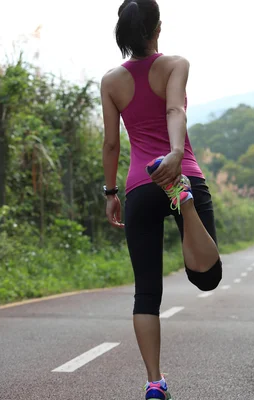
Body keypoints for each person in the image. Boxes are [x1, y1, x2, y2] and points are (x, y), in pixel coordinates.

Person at [100, 1, 222, 398]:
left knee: (146, 292)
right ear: (157, 28)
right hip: (180, 170)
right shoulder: (176, 64)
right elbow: (174, 108)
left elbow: (111, 144)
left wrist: (111, 193)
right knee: (207, 277)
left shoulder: (111, 81)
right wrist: (173, 158)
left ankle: (155, 382)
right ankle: (183, 200)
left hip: (138, 186)